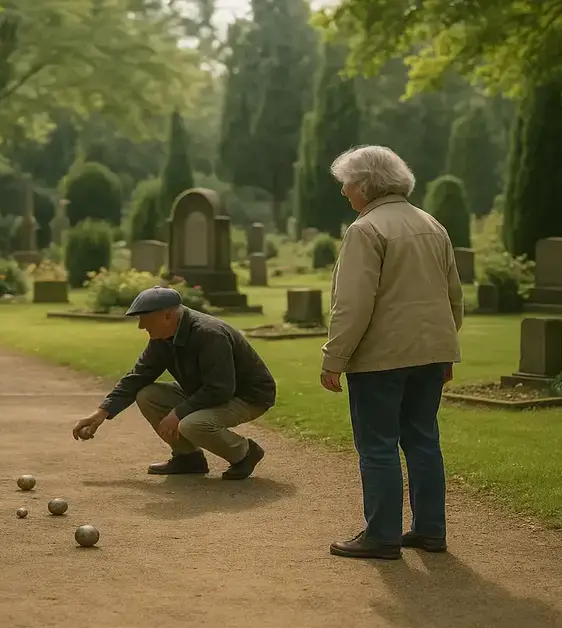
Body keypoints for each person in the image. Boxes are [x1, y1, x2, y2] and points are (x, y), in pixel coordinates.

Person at [320, 145, 463, 560]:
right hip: (430, 354)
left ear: (365, 185)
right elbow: (453, 295)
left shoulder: (365, 230)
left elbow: (352, 304)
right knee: (422, 441)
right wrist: (444, 351)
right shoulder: (432, 224)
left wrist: (334, 359)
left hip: (381, 358)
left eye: (347, 183)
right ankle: (430, 530)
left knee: (378, 445)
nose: (344, 192)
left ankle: (381, 535)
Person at [72, 286, 277, 480]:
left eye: (145, 318)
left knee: (192, 424)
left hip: (247, 397)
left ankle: (245, 453)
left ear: (167, 315)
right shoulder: (163, 336)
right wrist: (101, 413)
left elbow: (220, 389)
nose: (141, 325)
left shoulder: (209, 334)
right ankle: (188, 458)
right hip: (207, 390)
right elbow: (138, 376)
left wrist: (178, 413)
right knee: (147, 395)